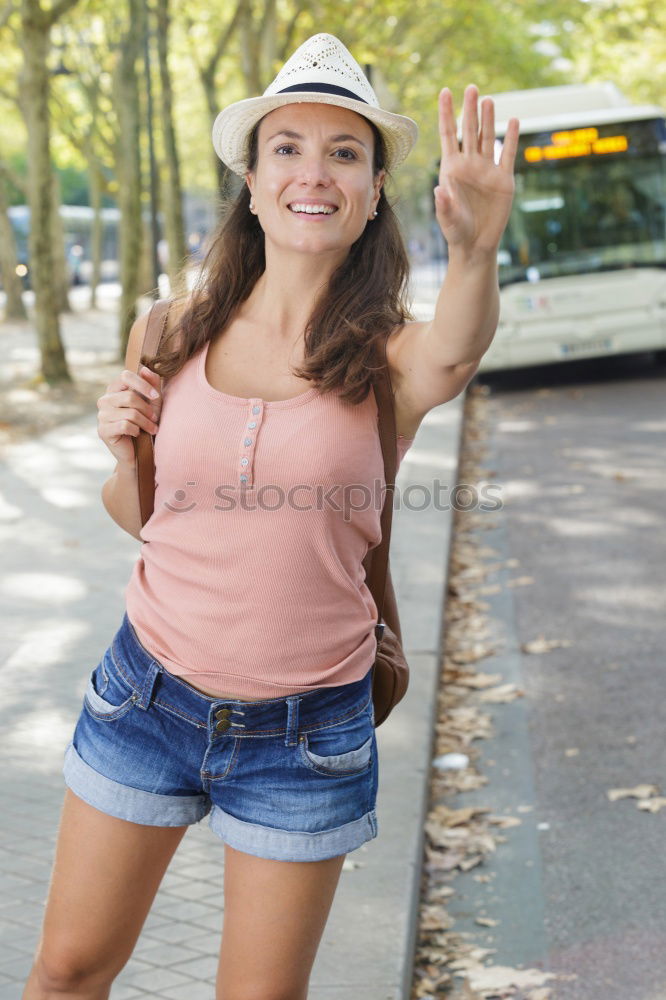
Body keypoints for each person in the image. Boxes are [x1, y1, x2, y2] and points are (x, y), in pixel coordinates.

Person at [22, 31, 518, 1000]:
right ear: (250, 181)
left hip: (306, 734)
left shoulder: (390, 358)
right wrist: (120, 446)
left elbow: (458, 347)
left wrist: (480, 248)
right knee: (67, 970)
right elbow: (147, 516)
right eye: (287, 147)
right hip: (145, 700)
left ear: (374, 191)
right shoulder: (169, 329)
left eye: (345, 153)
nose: (314, 172)